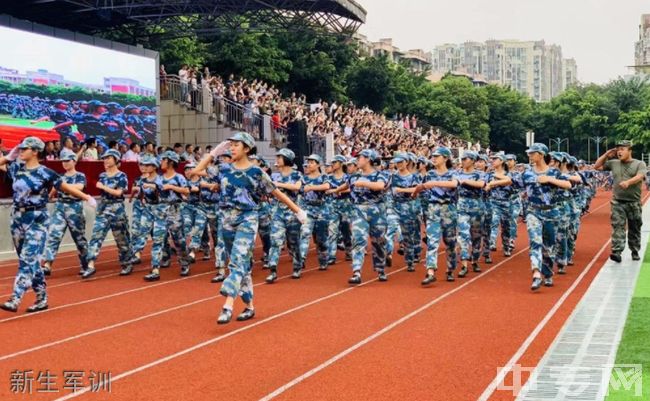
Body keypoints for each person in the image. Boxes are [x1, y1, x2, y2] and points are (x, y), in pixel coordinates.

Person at [190, 132, 306, 324]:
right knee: (241, 264)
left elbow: (276, 193)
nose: (232, 148)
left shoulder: (256, 173)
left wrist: (298, 212)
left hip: (247, 218)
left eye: (236, 145)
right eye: (231, 145)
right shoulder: (224, 169)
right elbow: (196, 171)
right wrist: (214, 152)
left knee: (236, 260)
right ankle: (249, 306)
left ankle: (227, 304)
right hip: (226, 219)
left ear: (247, 149)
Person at [0, 137, 95, 313]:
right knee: (30, 261)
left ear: (35, 151)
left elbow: (65, 187)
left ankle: (16, 296)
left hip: (37, 218)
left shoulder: (46, 172)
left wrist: (86, 197)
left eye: (25, 148)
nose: (21, 150)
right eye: (19, 148)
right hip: (18, 218)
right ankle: (41, 297)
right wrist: (8, 157)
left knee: (28, 258)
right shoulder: (16, 169)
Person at [333, 149, 388, 285]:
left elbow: (380, 186)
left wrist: (364, 183)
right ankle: (356, 271)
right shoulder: (354, 177)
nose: (357, 160)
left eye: (360, 157)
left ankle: (380, 268)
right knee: (358, 240)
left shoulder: (380, 175)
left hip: (377, 212)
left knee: (379, 242)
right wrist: (334, 191)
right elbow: (345, 186)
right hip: (358, 211)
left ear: (368, 159)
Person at [522, 143, 572, 291]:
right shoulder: (527, 173)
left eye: (533, 153)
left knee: (549, 246)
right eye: (529, 153)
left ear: (542, 154)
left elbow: (568, 184)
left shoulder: (554, 173)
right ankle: (536, 273)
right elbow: (513, 182)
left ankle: (548, 273)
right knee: (535, 241)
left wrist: (549, 180)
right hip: (533, 211)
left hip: (551, 212)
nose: (530, 156)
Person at [83, 149, 134, 279]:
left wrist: (103, 187)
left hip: (117, 208)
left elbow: (119, 193)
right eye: (104, 158)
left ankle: (126, 262)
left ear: (116, 160)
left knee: (121, 239)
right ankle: (90, 264)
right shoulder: (102, 176)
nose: (105, 160)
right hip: (103, 208)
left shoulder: (121, 176)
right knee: (96, 235)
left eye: (109, 158)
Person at [594, 140, 648, 262]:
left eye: (622, 149)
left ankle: (634, 250)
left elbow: (640, 176)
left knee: (634, 227)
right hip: (618, 202)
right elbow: (596, 166)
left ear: (630, 150)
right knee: (617, 226)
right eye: (618, 149)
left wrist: (628, 182)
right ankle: (617, 251)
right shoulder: (613, 163)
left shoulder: (640, 163)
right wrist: (606, 155)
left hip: (633, 202)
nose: (619, 152)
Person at [143, 151, 191, 282]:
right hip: (160, 210)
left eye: (163, 160)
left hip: (174, 210)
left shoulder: (179, 177)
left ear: (170, 162)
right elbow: (155, 190)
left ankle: (185, 263)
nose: (161, 162)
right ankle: (155, 269)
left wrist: (171, 186)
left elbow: (187, 191)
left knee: (178, 240)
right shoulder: (159, 178)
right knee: (158, 239)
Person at [413, 147, 458, 284]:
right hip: (433, 208)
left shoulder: (453, 173)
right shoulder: (430, 174)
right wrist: (416, 191)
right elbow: (422, 186)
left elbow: (454, 184)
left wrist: (434, 183)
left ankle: (450, 269)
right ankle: (430, 271)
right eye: (433, 156)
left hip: (448, 208)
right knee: (432, 240)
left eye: (437, 156)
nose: (434, 158)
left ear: (445, 158)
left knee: (450, 241)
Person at [42, 150, 90, 276]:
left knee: (79, 238)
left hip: (75, 208)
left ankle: (85, 263)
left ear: (74, 161)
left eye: (67, 161)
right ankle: (47, 264)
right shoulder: (60, 176)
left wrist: (65, 187)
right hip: (60, 207)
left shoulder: (80, 176)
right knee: (54, 234)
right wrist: (50, 196)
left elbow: (79, 188)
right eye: (63, 161)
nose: (65, 163)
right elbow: (53, 189)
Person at [298, 154, 331, 273]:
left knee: (321, 239)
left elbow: (327, 186)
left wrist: (312, 187)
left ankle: (323, 260)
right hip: (308, 209)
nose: (309, 164)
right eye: (308, 162)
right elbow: (299, 191)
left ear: (318, 165)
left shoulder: (324, 177)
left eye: (312, 162)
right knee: (304, 234)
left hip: (322, 210)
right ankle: (300, 260)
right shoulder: (303, 178)